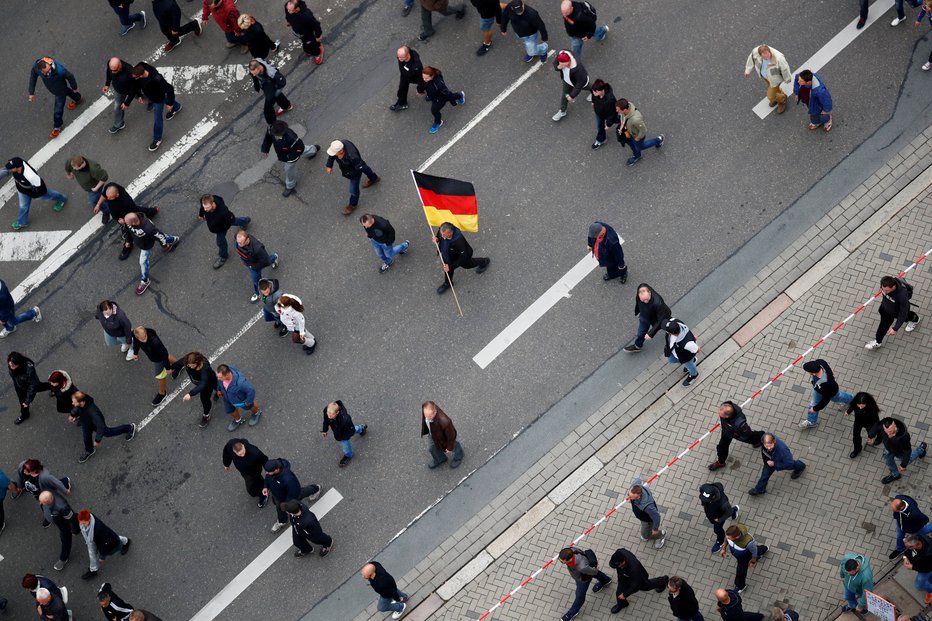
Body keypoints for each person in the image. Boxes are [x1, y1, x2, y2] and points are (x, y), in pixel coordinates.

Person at [69, 391, 137, 463]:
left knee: (109, 433)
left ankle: (130, 428)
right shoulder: (82, 403)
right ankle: (89, 450)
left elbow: (100, 426)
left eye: (74, 402)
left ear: (81, 402)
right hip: (86, 424)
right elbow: (78, 408)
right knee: (86, 438)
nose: (72, 403)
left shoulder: (93, 412)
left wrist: (97, 440)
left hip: (96, 425)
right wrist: (73, 414)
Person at [2, 157, 67, 231]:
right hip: (22, 190)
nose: (9, 169)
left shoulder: (31, 176)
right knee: (23, 206)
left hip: (33, 191)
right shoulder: (18, 164)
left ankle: (62, 199)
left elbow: (42, 188)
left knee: (48, 195)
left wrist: (35, 195)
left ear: (18, 168)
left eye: (11, 168)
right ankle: (22, 222)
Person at [131, 62, 183, 152]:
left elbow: (169, 89)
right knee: (166, 99)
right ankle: (176, 107)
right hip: (153, 95)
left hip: (158, 99)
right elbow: (136, 84)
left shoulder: (156, 79)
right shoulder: (140, 66)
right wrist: (139, 95)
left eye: (136, 77)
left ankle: (157, 139)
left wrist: (169, 104)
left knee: (158, 119)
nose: (134, 78)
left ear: (141, 75)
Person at [261, 120, 320, 197]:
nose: (275, 137)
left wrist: (290, 158)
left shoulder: (291, 137)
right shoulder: (271, 129)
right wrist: (265, 149)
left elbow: (300, 148)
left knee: (289, 170)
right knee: (306, 150)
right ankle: (313, 150)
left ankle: (290, 185)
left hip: (291, 156)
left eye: (277, 135)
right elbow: (268, 139)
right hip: (286, 154)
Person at [27, 57, 82, 139]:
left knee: (58, 110)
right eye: (46, 72)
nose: (49, 72)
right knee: (67, 91)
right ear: (40, 70)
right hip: (54, 87)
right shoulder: (36, 67)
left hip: (59, 90)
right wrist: (31, 92)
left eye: (49, 70)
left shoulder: (59, 70)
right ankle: (77, 97)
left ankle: (57, 126)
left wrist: (74, 87)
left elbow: (70, 76)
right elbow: (33, 78)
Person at [263, 458, 321, 532]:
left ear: (276, 470)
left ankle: (316, 488)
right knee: (279, 507)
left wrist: (285, 504)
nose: (267, 473)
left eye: (269, 472)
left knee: (301, 493)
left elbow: (293, 493)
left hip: (290, 496)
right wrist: (266, 487)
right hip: (278, 496)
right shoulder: (271, 472)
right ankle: (282, 521)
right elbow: (267, 478)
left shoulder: (288, 479)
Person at [97, 182, 159, 251]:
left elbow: (132, 214)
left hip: (125, 216)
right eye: (107, 196)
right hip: (121, 214)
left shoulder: (126, 203)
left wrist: (121, 220)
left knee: (127, 229)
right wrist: (98, 204)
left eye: (110, 197)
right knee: (140, 210)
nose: (108, 199)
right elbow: (104, 195)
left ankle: (128, 245)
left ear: (117, 195)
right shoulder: (109, 187)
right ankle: (153, 211)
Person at [325, 140, 380, 215]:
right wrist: (329, 165)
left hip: (354, 172)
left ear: (341, 151)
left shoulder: (353, 157)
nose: (333, 154)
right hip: (355, 165)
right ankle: (374, 178)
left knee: (353, 189)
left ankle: (353, 204)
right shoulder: (338, 145)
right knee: (365, 168)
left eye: (335, 153)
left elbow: (360, 167)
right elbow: (332, 154)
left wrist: (349, 174)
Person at [433, 221, 490, 294]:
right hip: (447, 255)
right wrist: (437, 238)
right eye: (441, 233)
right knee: (448, 270)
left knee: (469, 265)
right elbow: (439, 234)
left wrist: (451, 266)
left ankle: (484, 261)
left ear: (451, 233)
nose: (442, 235)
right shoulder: (443, 231)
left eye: (444, 235)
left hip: (461, 257)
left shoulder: (458, 242)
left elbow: (463, 257)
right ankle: (448, 283)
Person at [865, 276, 921, 349]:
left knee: (907, 317)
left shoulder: (902, 295)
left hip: (896, 312)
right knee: (883, 325)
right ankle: (878, 341)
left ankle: (915, 319)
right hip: (885, 309)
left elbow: (903, 313)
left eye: (887, 290)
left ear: (893, 287)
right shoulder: (885, 283)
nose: (884, 292)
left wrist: (895, 328)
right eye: (882, 289)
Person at [557, 546, 612, 621]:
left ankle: (573, 612)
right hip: (584, 571)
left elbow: (594, 572)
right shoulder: (570, 550)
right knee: (594, 574)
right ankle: (606, 581)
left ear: (570, 559)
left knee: (579, 596)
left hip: (582, 580)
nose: (561, 562)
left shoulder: (582, 567)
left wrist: (595, 570)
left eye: (562, 561)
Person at [867, 417, 927, 484]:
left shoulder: (904, 437)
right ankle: (895, 475)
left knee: (908, 460)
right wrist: (870, 436)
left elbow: (907, 451)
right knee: (888, 461)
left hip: (899, 451)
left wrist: (903, 465)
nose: (889, 435)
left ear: (894, 426)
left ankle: (921, 450)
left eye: (890, 432)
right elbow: (876, 425)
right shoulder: (883, 424)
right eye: (887, 432)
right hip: (888, 449)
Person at [198, 194, 251, 269]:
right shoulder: (205, 200)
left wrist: (221, 229)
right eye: (204, 207)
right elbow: (203, 207)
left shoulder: (223, 212)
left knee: (220, 241)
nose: (205, 210)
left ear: (213, 204)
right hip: (218, 225)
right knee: (235, 221)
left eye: (207, 208)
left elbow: (230, 220)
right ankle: (245, 221)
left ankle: (223, 256)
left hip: (222, 227)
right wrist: (201, 214)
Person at [797, 359, 854, 429]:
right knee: (813, 403)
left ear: (813, 373)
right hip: (819, 389)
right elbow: (829, 369)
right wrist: (830, 373)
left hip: (831, 391)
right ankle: (811, 422)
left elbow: (826, 399)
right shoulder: (820, 362)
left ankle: (852, 400)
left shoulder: (826, 384)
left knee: (838, 397)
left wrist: (815, 409)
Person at [708, 401, 764, 471]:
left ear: (727, 416)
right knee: (722, 447)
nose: (718, 413)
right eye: (720, 410)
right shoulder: (726, 406)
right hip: (727, 432)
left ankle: (762, 437)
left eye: (720, 413)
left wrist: (737, 435)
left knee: (752, 437)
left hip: (738, 434)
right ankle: (721, 462)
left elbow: (747, 433)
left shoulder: (739, 424)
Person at [608, 548, 667, 613]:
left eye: (618, 565)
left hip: (639, 577)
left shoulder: (634, 568)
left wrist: (625, 594)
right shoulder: (619, 553)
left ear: (623, 561)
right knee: (619, 593)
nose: (617, 567)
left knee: (647, 586)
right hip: (624, 576)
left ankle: (663, 580)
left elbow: (636, 584)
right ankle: (622, 604)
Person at [77, 509, 131, 580]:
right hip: (94, 540)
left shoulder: (98, 529)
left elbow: (105, 544)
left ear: (89, 520)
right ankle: (93, 570)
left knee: (115, 542)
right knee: (92, 554)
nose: (82, 525)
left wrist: (102, 557)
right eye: (80, 523)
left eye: (83, 523)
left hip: (102, 540)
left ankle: (126, 541)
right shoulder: (88, 518)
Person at [171, 351, 218, 427]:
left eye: (192, 365)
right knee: (212, 393)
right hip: (202, 382)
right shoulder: (188, 361)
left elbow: (203, 384)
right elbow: (179, 363)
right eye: (189, 365)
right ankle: (217, 393)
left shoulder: (205, 369)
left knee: (205, 399)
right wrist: (170, 368)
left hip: (208, 383)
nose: (189, 366)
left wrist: (190, 394)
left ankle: (206, 415)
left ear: (198, 362)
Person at [131, 325, 176, 405]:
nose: (144, 340)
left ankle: (162, 393)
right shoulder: (135, 335)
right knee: (167, 357)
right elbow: (136, 342)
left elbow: (164, 354)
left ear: (146, 333)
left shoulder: (155, 342)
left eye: (145, 337)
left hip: (158, 359)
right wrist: (135, 353)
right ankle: (178, 365)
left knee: (160, 376)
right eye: (142, 339)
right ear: (137, 337)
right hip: (155, 355)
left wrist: (168, 368)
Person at [743, 45, 791, 115]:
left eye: (768, 55)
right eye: (765, 58)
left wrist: (787, 79)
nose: (768, 58)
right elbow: (751, 58)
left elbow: (785, 69)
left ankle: (782, 100)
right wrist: (747, 70)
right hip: (765, 77)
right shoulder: (755, 52)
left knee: (770, 96)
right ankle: (779, 93)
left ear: (769, 51)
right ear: (760, 55)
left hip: (775, 80)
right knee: (773, 89)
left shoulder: (779, 58)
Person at [623, 284, 672, 353]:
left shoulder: (658, 303)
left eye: (647, 299)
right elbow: (638, 302)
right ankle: (637, 346)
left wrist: (651, 333)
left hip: (658, 318)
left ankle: (675, 331)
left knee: (668, 326)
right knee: (641, 333)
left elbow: (661, 319)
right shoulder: (641, 293)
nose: (645, 301)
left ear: (650, 293)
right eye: (643, 300)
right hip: (645, 317)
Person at [38, 491, 79, 571]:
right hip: (60, 522)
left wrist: (74, 530)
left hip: (64, 527)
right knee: (74, 517)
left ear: (48, 501)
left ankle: (63, 559)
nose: (40, 503)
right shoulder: (50, 499)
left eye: (42, 502)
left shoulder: (63, 508)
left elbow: (71, 519)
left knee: (65, 541)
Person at [720, 524, 768, 593]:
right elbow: (726, 539)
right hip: (739, 553)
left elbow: (754, 553)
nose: (727, 537)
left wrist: (753, 562)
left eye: (729, 537)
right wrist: (723, 548)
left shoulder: (749, 543)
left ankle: (740, 586)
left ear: (736, 537)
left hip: (744, 557)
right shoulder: (730, 533)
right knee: (758, 550)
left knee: (741, 571)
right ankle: (764, 549)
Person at [616, 98, 664, 166]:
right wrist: (622, 125)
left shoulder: (636, 119)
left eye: (618, 109)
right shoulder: (625, 110)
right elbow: (622, 116)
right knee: (632, 145)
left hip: (636, 135)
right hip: (629, 132)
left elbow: (643, 130)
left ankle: (658, 140)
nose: (616, 111)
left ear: (625, 110)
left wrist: (638, 137)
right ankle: (637, 156)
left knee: (641, 147)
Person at [222, 438, 269, 507]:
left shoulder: (254, 452)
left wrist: (267, 470)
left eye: (243, 452)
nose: (243, 455)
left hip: (254, 471)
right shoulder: (230, 445)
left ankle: (263, 494)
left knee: (252, 488)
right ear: (234, 451)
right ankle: (265, 487)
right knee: (257, 483)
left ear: (243, 446)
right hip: (244, 472)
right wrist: (226, 464)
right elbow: (226, 454)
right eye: (240, 454)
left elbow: (264, 459)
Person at [235, 230, 279, 302]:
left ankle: (274, 257)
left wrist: (253, 267)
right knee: (256, 279)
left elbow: (264, 261)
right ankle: (274, 257)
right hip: (249, 262)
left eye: (240, 243)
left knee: (256, 280)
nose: (238, 244)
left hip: (254, 265)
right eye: (237, 241)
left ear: (247, 240)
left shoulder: (258, 249)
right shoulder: (238, 240)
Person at [216, 364, 263, 430]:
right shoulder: (223, 375)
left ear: (227, 375)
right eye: (217, 376)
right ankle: (238, 420)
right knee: (230, 410)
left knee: (250, 406)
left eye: (220, 377)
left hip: (240, 400)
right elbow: (219, 382)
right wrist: (218, 389)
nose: (218, 379)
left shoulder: (240, 383)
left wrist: (248, 401)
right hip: (227, 398)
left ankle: (256, 413)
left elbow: (251, 391)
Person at [321, 400, 368, 467]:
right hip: (340, 430)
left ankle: (348, 455)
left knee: (346, 443)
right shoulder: (328, 413)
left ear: (337, 413)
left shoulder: (344, 419)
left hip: (345, 432)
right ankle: (361, 428)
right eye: (328, 413)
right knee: (354, 430)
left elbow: (350, 429)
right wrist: (324, 430)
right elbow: (326, 421)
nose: (328, 415)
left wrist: (343, 437)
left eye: (331, 414)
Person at [421, 66, 466, 134]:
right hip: (434, 96)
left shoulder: (439, 83)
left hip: (440, 98)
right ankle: (459, 95)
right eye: (423, 77)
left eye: (426, 78)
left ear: (432, 76)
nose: (424, 79)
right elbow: (423, 85)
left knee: (434, 110)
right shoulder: (427, 80)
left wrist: (451, 100)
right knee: (450, 98)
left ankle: (438, 122)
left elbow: (446, 93)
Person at [8, 352, 48, 425]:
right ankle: (25, 414)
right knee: (22, 401)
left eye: (13, 365)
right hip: (20, 386)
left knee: (38, 388)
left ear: (19, 363)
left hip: (29, 386)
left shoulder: (28, 370)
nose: (11, 367)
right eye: (10, 365)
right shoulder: (13, 366)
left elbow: (33, 385)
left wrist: (27, 401)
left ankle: (53, 386)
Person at [421, 400, 464, 468]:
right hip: (433, 433)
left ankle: (459, 456)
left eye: (429, 416)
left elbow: (451, 436)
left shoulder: (445, 423)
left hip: (443, 436)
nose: (427, 418)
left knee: (453, 444)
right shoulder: (427, 411)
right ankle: (440, 458)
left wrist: (449, 448)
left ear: (435, 412)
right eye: (425, 415)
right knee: (431, 448)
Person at [249, 58, 291, 125]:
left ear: (259, 68)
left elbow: (283, 83)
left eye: (254, 73)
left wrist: (275, 94)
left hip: (272, 85)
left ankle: (272, 124)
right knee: (278, 97)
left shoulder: (272, 74)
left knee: (267, 108)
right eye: (252, 73)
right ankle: (286, 106)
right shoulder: (257, 61)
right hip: (266, 83)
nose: (254, 75)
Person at [700, 482, 739, 553]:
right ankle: (735, 510)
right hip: (712, 514)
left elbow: (728, 512)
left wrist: (719, 520)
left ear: (713, 497)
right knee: (729, 510)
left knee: (717, 530)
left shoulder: (723, 503)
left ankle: (720, 541)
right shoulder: (706, 489)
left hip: (719, 516)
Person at [626, 479, 666, 549]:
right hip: (642, 516)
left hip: (647, 520)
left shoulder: (648, 506)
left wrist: (655, 529)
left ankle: (661, 535)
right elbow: (638, 479)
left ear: (638, 497)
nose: (629, 498)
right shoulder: (635, 486)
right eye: (629, 494)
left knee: (645, 535)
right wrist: (629, 496)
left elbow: (657, 517)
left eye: (631, 497)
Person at [103, 58, 139, 134]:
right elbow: (108, 73)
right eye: (111, 69)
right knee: (117, 107)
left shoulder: (130, 72)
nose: (113, 72)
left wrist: (127, 103)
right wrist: (107, 84)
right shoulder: (111, 65)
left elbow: (134, 89)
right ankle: (119, 124)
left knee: (142, 97)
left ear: (120, 66)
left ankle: (152, 100)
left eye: (115, 70)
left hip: (130, 90)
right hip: (119, 91)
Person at [552, 50, 589, 122]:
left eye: (564, 65)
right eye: (561, 64)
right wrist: (557, 67)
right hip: (567, 80)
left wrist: (572, 95)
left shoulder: (578, 69)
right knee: (564, 95)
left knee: (587, 86)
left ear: (569, 61)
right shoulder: (561, 54)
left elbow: (579, 84)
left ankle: (594, 90)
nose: (562, 66)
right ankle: (562, 111)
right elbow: (555, 63)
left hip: (579, 81)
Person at [285, 0, 324, 64]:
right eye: (287, 9)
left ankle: (318, 53)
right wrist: (289, 21)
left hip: (307, 34)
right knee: (306, 43)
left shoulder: (307, 16)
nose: (288, 12)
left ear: (297, 9)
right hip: (300, 33)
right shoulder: (288, 6)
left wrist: (318, 36)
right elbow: (287, 15)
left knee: (311, 44)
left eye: (290, 10)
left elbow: (316, 25)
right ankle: (308, 50)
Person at [663, 319, 699, 386]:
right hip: (674, 353)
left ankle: (694, 375)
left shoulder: (687, 343)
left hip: (686, 358)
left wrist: (693, 342)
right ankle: (692, 361)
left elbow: (697, 349)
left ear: (673, 333)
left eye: (667, 332)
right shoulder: (675, 322)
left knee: (690, 365)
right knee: (671, 360)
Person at [846, 392, 881, 459]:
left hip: (869, 423)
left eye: (863, 405)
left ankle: (880, 437)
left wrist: (871, 436)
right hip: (858, 422)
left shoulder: (872, 408)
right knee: (855, 436)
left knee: (876, 430)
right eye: (859, 405)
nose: (860, 407)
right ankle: (857, 449)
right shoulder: (855, 403)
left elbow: (877, 422)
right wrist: (848, 411)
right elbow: (852, 406)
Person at [390, 46, 425, 111]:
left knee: (426, 83)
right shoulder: (401, 57)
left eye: (402, 57)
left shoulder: (417, 66)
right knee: (401, 89)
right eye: (398, 57)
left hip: (414, 77)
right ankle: (402, 103)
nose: (399, 59)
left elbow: (420, 78)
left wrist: (420, 90)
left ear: (408, 54)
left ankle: (433, 94)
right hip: (404, 75)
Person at [590, 79, 620, 149]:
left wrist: (608, 125)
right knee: (600, 127)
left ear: (601, 91)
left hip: (606, 114)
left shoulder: (610, 100)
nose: (593, 93)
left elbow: (612, 113)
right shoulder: (595, 91)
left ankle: (626, 120)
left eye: (595, 92)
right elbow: (593, 96)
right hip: (599, 113)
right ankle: (601, 140)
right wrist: (593, 102)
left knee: (614, 119)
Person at [903, 534, 932, 604]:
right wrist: (905, 557)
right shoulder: (915, 538)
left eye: (909, 547)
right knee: (930, 578)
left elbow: (926, 567)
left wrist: (912, 567)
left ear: (915, 546)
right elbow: (907, 550)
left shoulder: (928, 553)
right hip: (924, 565)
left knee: (919, 585)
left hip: (927, 568)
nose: (907, 548)